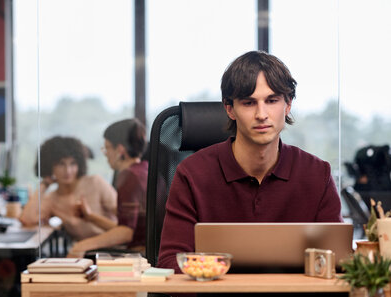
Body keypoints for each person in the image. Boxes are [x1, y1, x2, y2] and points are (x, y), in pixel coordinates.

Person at [157, 51, 343, 271]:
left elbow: (336, 265)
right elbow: (172, 263)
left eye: (272, 100)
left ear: (288, 105)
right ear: (230, 109)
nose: (261, 114)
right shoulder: (192, 173)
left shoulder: (317, 174)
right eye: (249, 103)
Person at [67, 118, 148, 257]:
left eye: (107, 148)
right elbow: (128, 229)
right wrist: (90, 217)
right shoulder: (143, 170)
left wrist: (82, 245)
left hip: (139, 257)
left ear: (120, 150)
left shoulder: (129, 176)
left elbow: (125, 233)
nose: (106, 154)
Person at [19, 136, 117, 241]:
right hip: (84, 252)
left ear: (79, 164)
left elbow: (127, 223)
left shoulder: (95, 182)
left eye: (73, 163)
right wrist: (44, 185)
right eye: (61, 164)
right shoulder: (52, 198)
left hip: (111, 248)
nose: (68, 170)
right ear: (49, 166)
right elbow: (27, 219)